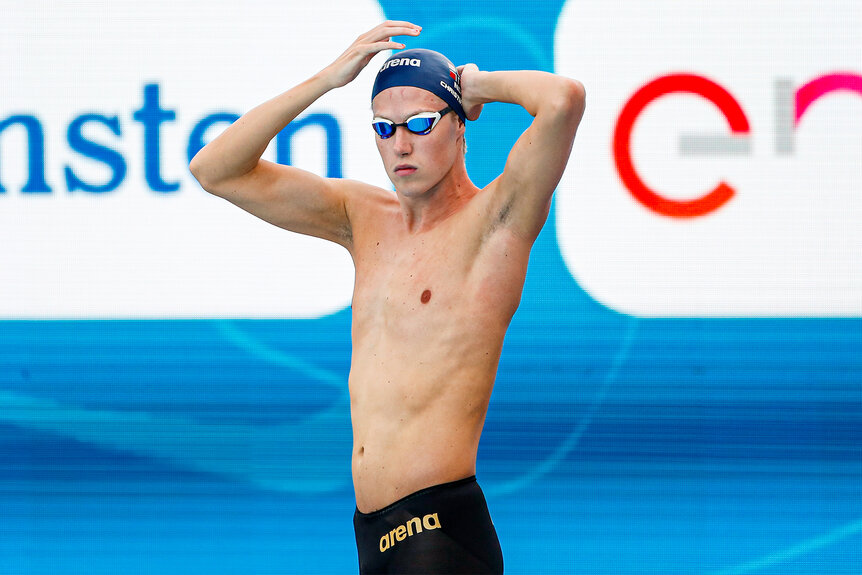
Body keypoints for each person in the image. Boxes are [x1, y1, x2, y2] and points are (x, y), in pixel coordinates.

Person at [189, 20, 585, 575]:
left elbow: (563, 99)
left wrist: (475, 84)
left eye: (421, 124)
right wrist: (327, 80)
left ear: (459, 126)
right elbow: (215, 170)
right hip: (370, 532)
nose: (400, 144)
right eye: (384, 127)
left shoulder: (496, 221)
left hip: (440, 528)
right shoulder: (361, 217)